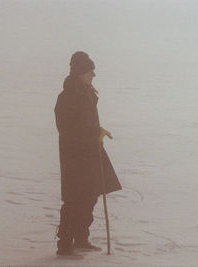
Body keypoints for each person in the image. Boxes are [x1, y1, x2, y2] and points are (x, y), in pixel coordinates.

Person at [54, 51, 122, 257]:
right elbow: (67, 129)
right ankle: (65, 246)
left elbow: (87, 123)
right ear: (79, 73)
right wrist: (94, 132)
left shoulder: (88, 93)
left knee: (90, 195)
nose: (93, 74)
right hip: (75, 156)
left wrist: (97, 132)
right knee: (75, 198)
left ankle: (81, 239)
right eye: (90, 71)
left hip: (91, 153)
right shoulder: (67, 97)